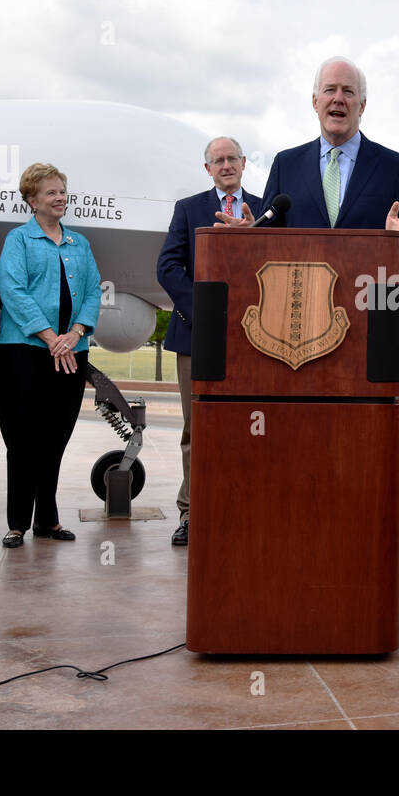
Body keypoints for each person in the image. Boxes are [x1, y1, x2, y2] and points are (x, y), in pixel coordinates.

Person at [157, 137, 264, 545]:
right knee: (197, 428)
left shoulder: (264, 209)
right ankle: (191, 512)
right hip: (197, 337)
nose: (225, 165)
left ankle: (241, 508)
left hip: (254, 339)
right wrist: (204, 311)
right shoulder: (188, 209)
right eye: (217, 161)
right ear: (207, 169)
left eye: (232, 158)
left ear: (243, 163)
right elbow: (167, 267)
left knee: (248, 428)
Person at [0, 163, 102, 548]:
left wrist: (73, 334)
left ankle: (48, 520)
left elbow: (93, 292)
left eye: (62, 191)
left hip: (72, 352)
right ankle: (17, 523)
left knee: (55, 437)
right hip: (24, 353)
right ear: (32, 200)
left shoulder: (80, 244)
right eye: (51, 193)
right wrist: (49, 336)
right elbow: (12, 290)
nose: (60, 198)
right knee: (23, 438)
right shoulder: (18, 240)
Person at [225, 57, 399, 232]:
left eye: (348, 91)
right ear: (315, 102)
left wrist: (398, 238)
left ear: (362, 105)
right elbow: (269, 234)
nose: (338, 99)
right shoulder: (286, 165)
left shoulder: (394, 167)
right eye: (330, 89)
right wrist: (251, 234)